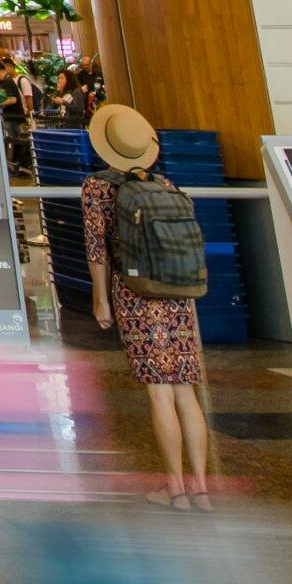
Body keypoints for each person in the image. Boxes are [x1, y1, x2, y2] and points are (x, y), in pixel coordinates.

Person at [81, 102, 212, 499]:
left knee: (159, 392)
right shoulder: (166, 185)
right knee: (185, 391)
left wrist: (100, 298)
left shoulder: (97, 187)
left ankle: (174, 488)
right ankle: (202, 490)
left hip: (135, 293)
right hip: (177, 293)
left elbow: (97, 249)